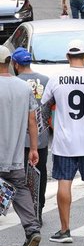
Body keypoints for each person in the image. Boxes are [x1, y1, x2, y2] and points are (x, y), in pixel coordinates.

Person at [41, 39, 84, 244]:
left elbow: (45, 105)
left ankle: (65, 231)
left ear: (67, 57)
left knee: (64, 182)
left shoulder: (56, 78)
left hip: (65, 142)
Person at [0, 45, 42, 246]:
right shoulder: (24, 88)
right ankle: (32, 229)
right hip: (15, 156)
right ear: (10, 62)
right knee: (20, 189)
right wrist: (33, 148)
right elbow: (32, 121)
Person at [13, 47, 51, 224]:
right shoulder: (46, 80)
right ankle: (38, 211)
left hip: (18, 138)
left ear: (16, 64)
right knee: (39, 175)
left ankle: (24, 213)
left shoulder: (14, 82)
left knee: (16, 176)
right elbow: (51, 108)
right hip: (41, 138)